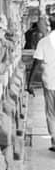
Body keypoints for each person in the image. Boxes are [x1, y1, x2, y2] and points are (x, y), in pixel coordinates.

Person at [28, 17, 55, 151]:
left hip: (50, 82)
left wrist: (29, 83)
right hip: (49, 82)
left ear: (49, 25)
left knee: (51, 112)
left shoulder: (44, 42)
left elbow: (37, 63)